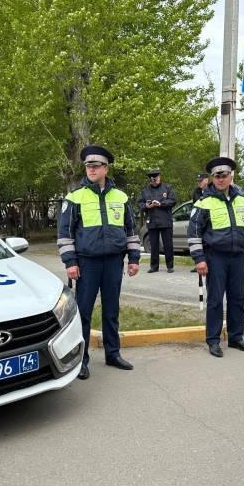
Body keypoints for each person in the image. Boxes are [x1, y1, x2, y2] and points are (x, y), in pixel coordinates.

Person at [58, 145, 141, 380]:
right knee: (83, 312)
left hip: (114, 261)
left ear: (106, 168)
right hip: (87, 263)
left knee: (111, 310)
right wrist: (70, 262)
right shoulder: (75, 197)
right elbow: (65, 234)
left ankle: (112, 354)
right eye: (88, 166)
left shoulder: (121, 197)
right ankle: (81, 360)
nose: (91, 170)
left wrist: (133, 259)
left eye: (96, 166)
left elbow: (131, 231)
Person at [187, 157, 244, 358]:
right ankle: (213, 340)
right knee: (216, 301)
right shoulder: (204, 202)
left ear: (231, 176)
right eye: (216, 176)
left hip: (237, 257)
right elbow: (194, 233)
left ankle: (236, 337)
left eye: (224, 175)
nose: (220, 179)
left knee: (237, 299)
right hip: (215, 257)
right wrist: (199, 259)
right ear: (212, 178)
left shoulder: (242, 199)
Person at [137, 168, 177, 273]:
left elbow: (173, 201)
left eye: (157, 178)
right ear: (151, 180)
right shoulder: (145, 191)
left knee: (168, 245)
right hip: (152, 221)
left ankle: (170, 265)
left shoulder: (167, 188)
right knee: (153, 245)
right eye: (153, 179)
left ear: (159, 177)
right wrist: (146, 205)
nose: (155, 180)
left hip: (165, 220)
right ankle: (154, 266)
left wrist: (161, 204)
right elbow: (140, 204)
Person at [190, 173, 210, 272]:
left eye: (201, 181)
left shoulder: (212, 190)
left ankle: (208, 263)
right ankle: (199, 262)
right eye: (198, 181)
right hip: (200, 222)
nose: (199, 183)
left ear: (206, 180)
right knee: (199, 242)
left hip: (209, 222)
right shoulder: (196, 192)